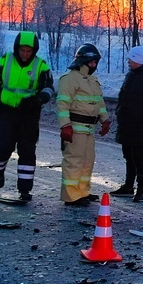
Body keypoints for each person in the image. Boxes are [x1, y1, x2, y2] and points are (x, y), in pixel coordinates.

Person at [0, 31, 54, 202]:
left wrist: (39, 99)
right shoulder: (4, 61)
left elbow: (49, 88)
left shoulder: (41, 65)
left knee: (27, 151)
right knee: (5, 146)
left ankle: (25, 190)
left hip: (29, 113)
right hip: (8, 111)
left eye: (29, 51)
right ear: (17, 48)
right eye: (22, 50)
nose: (25, 54)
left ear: (34, 51)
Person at [56, 43, 110, 206]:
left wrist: (104, 120)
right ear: (82, 61)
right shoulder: (70, 79)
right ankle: (71, 196)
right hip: (75, 129)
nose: (93, 65)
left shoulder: (93, 80)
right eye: (91, 62)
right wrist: (65, 126)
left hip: (89, 130)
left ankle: (82, 192)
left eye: (95, 62)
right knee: (74, 162)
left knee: (87, 161)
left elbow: (99, 102)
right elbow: (62, 104)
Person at [112, 45, 143, 202]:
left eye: (131, 59)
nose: (128, 61)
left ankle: (140, 188)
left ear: (138, 60)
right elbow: (123, 96)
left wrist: (141, 116)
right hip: (126, 123)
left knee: (138, 157)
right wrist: (120, 111)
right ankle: (128, 186)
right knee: (128, 155)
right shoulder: (131, 76)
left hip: (139, 126)